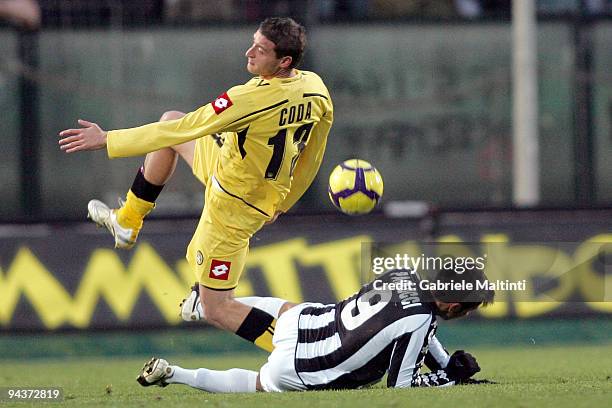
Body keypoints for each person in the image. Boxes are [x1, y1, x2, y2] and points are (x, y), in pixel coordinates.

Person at [58, 17, 333, 353]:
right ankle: (127, 221)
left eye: (260, 50)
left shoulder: (250, 99)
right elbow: (313, 156)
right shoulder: (316, 88)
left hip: (233, 205)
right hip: (236, 174)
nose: (249, 52)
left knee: (216, 308)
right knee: (170, 118)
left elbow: (187, 129)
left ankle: (304, 357)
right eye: (253, 42)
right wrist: (285, 202)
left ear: (284, 61)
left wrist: (107, 140)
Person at [137, 267, 495, 392]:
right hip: (306, 366)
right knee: (260, 384)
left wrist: (446, 364)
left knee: (290, 309)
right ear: (452, 305)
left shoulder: (403, 276)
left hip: (305, 322)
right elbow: (401, 383)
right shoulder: (421, 320)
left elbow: (413, 329)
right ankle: (175, 373)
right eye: (468, 309)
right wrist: (449, 378)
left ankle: (203, 306)